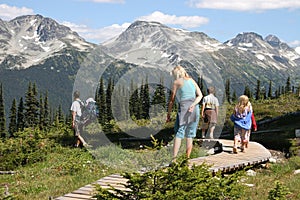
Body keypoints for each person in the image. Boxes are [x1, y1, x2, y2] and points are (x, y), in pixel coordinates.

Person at [167, 66, 203, 159]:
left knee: (180, 132)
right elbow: (200, 96)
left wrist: (169, 114)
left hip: (184, 107)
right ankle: (187, 158)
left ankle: (174, 158)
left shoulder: (176, 82)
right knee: (190, 134)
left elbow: (172, 100)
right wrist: (193, 104)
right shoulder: (191, 80)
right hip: (194, 108)